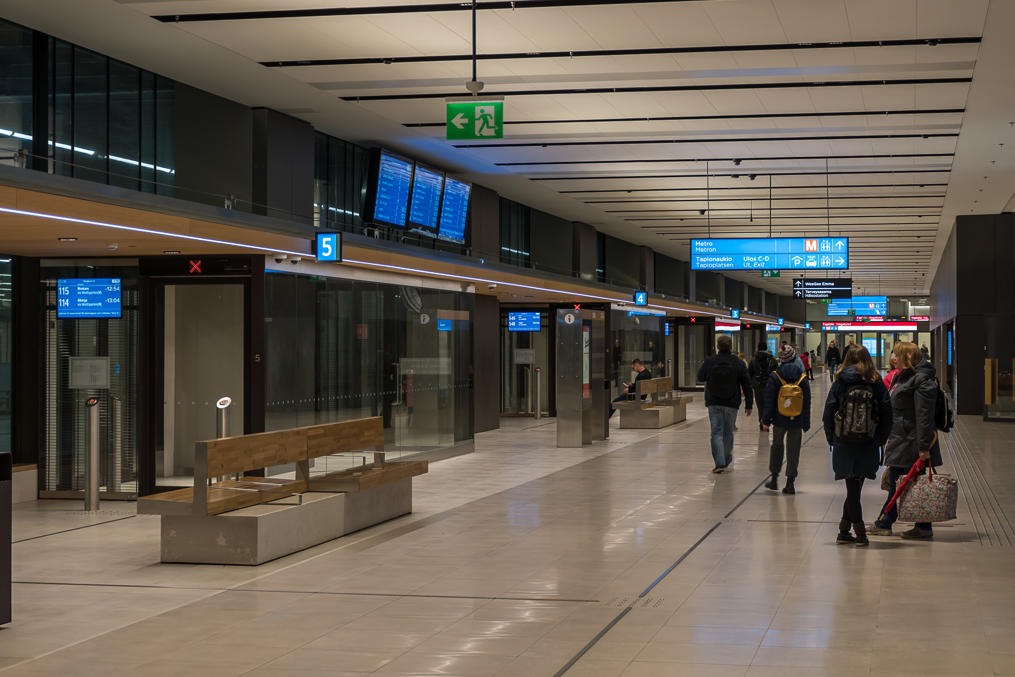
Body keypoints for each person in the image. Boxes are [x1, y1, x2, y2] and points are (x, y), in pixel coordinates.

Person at [869, 342, 943, 539]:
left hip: (911, 442)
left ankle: (886, 522)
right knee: (902, 483)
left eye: (897, 354)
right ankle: (919, 526)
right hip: (901, 439)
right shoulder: (904, 376)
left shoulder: (921, 381)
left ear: (907, 358)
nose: (893, 357)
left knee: (900, 484)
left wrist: (924, 448)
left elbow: (924, 416)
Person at [823, 346, 892, 547]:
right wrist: (881, 439)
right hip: (868, 442)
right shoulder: (876, 382)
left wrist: (832, 439)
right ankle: (858, 532)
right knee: (855, 486)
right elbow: (888, 414)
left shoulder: (840, 382)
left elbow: (828, 413)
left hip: (844, 441)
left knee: (853, 487)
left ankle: (845, 530)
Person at [697, 334, 753, 474]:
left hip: (714, 402)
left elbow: (700, 377)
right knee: (728, 432)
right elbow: (746, 383)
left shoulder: (710, 361)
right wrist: (749, 404)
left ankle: (719, 462)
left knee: (716, 432)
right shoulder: (738, 362)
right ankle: (726, 458)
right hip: (732, 402)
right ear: (731, 346)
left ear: (717, 346)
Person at [762, 345, 810, 495]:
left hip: (779, 419)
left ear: (781, 360)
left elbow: (769, 400)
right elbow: (807, 402)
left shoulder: (775, 376)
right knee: (793, 450)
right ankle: (790, 483)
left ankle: (774, 478)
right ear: (794, 357)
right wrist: (806, 422)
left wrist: (766, 420)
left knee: (777, 446)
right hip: (796, 419)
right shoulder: (802, 378)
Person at [748, 342, 778, 432]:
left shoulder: (753, 360)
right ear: (766, 348)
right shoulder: (772, 360)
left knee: (760, 406)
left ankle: (762, 422)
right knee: (769, 405)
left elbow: (749, 374)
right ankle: (767, 423)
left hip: (757, 386)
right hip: (769, 386)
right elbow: (776, 373)